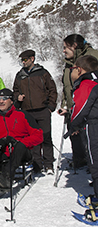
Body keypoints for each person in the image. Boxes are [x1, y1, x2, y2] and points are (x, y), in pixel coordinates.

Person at [0, 89, 43, 193]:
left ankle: (7, 177)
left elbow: (38, 135)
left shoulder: (22, 115)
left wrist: (20, 142)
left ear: (11, 101)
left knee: (20, 146)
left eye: (5, 99)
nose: (1, 101)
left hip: (22, 152)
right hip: (5, 152)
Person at [13, 49, 57, 175]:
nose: (23, 62)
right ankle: (37, 165)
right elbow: (15, 90)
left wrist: (50, 107)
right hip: (27, 111)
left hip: (43, 110)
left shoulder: (43, 73)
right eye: (21, 60)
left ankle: (48, 164)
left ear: (32, 59)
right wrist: (18, 98)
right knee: (32, 139)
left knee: (46, 137)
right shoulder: (19, 75)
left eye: (25, 59)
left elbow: (52, 89)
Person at [58, 34, 98, 170]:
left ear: (74, 46)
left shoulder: (91, 58)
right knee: (79, 139)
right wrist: (66, 104)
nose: (63, 51)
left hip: (91, 109)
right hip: (76, 107)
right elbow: (67, 86)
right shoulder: (70, 63)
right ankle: (83, 161)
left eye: (65, 47)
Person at [68, 55, 98, 198]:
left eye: (72, 69)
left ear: (79, 70)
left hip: (93, 126)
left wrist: (73, 125)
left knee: (95, 162)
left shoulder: (86, 84)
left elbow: (80, 109)